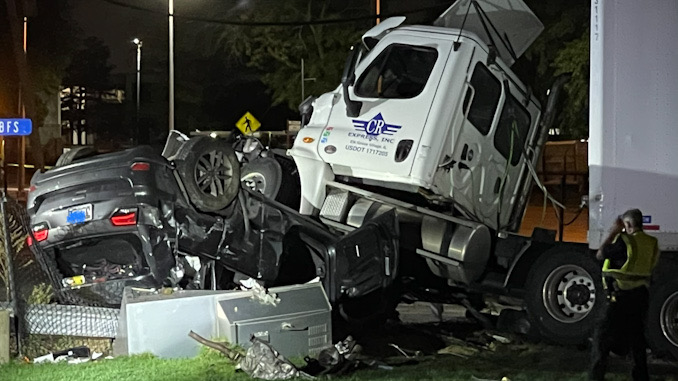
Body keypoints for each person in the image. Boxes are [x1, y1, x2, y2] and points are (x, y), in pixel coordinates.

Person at [589, 208, 660, 381]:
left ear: (627, 225)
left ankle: (595, 377)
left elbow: (600, 254)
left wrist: (613, 231)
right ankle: (641, 376)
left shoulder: (624, 241)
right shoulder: (652, 242)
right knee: (637, 339)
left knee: (601, 337)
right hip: (641, 296)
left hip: (621, 296)